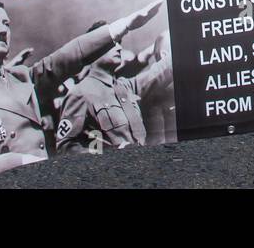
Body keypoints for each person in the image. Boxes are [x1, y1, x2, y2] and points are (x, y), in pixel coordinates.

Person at [0, 0, 164, 172]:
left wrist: (123, 26)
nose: (2, 30)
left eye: (6, 24)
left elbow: (66, 56)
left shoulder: (22, 77)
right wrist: (15, 161)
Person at [56, 22, 173, 153]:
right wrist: (109, 153)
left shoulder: (126, 87)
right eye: (112, 43)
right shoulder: (80, 93)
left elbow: (160, 71)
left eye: (119, 43)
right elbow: (65, 147)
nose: (119, 48)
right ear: (92, 49)